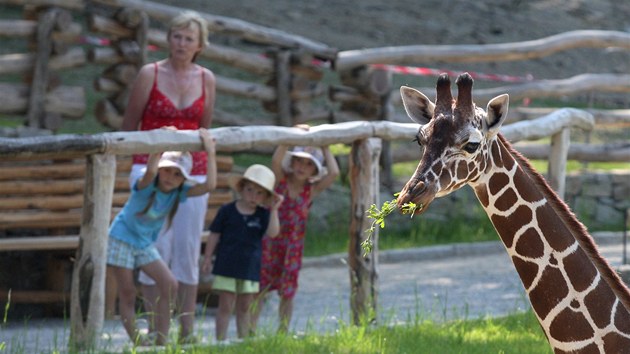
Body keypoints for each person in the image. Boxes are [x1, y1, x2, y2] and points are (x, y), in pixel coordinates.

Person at [119, 10, 216, 343]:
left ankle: (187, 330)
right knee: (153, 245)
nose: (181, 43)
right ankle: (155, 328)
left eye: (189, 38)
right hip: (150, 166)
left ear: (199, 45)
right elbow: (129, 124)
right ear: (168, 39)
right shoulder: (151, 73)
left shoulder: (206, 78)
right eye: (177, 36)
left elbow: (204, 125)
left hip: (192, 170)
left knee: (188, 248)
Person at [107, 128, 217, 346]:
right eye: (167, 171)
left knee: (169, 284)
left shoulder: (178, 192)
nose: (170, 177)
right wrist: (160, 144)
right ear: (160, 169)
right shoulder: (147, 184)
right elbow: (149, 171)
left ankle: (161, 340)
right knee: (127, 292)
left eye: (177, 175)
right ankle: (139, 341)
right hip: (122, 238)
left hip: (143, 243)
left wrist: (210, 152)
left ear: (183, 179)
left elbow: (209, 186)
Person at [252, 143, 340, 333]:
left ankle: (282, 331)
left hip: (292, 249)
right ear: (291, 162)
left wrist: (325, 146)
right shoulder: (280, 181)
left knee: (288, 292)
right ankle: (251, 330)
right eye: (298, 161)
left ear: (314, 170)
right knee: (260, 289)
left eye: (308, 164)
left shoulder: (311, 190)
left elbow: (333, 173)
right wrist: (289, 137)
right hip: (269, 245)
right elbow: (276, 159)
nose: (301, 167)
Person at [201, 164, 283, 342]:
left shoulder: (263, 215)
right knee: (225, 305)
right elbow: (214, 234)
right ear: (241, 188)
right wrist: (208, 257)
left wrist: (274, 210)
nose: (253, 196)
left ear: (266, 197)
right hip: (226, 266)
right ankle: (220, 341)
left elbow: (273, 232)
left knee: (245, 306)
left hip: (250, 267)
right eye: (250, 190)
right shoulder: (227, 211)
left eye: (260, 193)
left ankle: (242, 340)